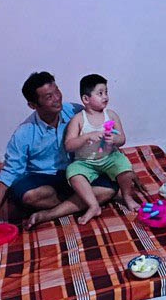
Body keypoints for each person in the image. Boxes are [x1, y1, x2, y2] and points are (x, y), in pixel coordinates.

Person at [0, 71, 116, 233]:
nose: (57, 98)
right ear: (33, 105)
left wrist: (118, 164)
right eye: (49, 97)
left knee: (109, 188)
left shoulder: (75, 112)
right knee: (27, 196)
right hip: (44, 179)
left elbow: (103, 132)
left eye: (57, 91)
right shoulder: (24, 133)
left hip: (77, 174)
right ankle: (81, 200)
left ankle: (50, 213)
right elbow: (8, 174)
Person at [63, 74, 147, 223]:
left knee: (125, 167)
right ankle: (93, 205)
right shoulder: (79, 119)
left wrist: (115, 139)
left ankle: (127, 197)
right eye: (100, 93)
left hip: (109, 157)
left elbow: (122, 139)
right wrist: (86, 137)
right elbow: (68, 145)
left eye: (106, 92)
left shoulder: (111, 115)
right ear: (86, 99)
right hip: (85, 162)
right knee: (73, 173)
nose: (105, 97)